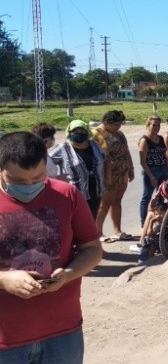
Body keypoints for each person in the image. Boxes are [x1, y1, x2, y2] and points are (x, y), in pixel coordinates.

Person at [0, 132, 103, 361]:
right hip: (6, 340)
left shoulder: (67, 195)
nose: (29, 185)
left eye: (37, 178)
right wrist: (4, 280)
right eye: (17, 181)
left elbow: (92, 249)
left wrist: (68, 274)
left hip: (63, 333)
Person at [50, 120, 106, 221]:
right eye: (75, 132)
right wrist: (56, 179)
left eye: (82, 131)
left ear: (87, 132)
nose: (79, 134)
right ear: (69, 132)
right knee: (75, 221)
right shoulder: (63, 148)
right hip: (74, 193)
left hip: (95, 191)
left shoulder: (94, 145)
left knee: (91, 220)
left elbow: (104, 158)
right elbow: (46, 162)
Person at [93, 110, 135, 241]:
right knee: (104, 204)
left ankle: (117, 230)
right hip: (106, 175)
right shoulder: (95, 134)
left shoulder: (120, 134)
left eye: (120, 124)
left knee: (117, 202)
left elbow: (126, 152)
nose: (118, 127)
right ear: (106, 122)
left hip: (121, 174)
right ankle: (97, 233)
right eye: (116, 124)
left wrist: (131, 168)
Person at [133, 181, 168, 265]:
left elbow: (150, 233)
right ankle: (142, 239)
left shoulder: (165, 209)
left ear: (163, 194)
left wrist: (152, 221)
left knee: (149, 238)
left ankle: (142, 245)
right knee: (151, 214)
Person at [137, 116, 168, 227]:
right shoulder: (145, 140)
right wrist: (151, 176)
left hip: (162, 169)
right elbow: (142, 161)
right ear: (148, 126)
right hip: (151, 170)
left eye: (158, 125)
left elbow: (165, 155)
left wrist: (167, 170)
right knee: (147, 197)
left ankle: (159, 221)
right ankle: (144, 224)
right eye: (153, 125)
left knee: (161, 196)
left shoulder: (160, 139)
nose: (156, 127)